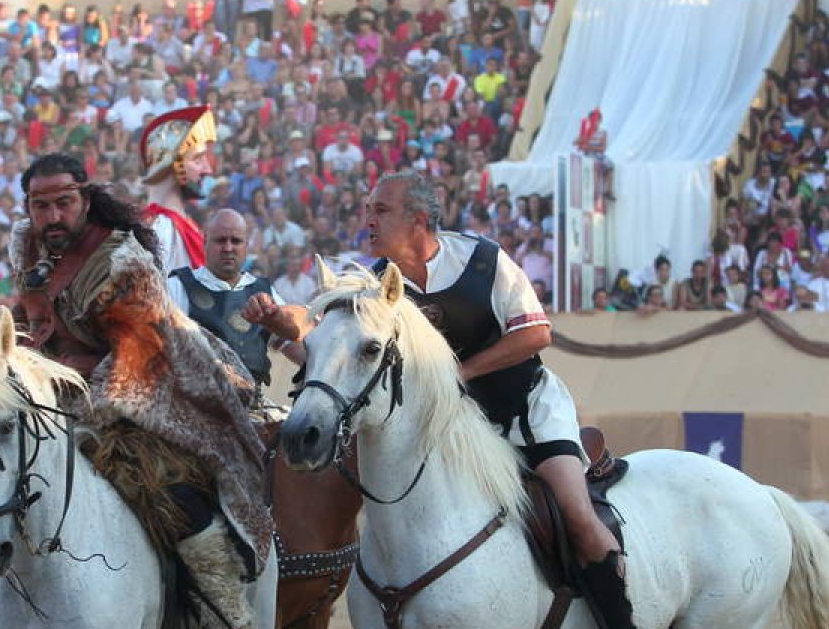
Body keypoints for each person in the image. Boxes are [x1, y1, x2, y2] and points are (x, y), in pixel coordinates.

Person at [246, 171, 634, 629]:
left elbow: (536, 333)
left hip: (524, 413)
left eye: (380, 210)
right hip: (446, 428)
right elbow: (325, 338)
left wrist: (458, 374)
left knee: (578, 519)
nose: (367, 219)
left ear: (418, 218)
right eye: (368, 209)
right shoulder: (372, 286)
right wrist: (284, 329)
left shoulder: (484, 261)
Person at [7, 154, 269, 627]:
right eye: (39, 206)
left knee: (172, 492)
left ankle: (224, 608)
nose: (51, 217)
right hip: (64, 393)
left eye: (63, 203)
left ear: (85, 200)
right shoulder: (27, 245)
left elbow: (137, 361)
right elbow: (30, 320)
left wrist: (68, 383)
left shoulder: (124, 262)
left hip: (159, 394)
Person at [166, 208, 289, 390]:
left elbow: (293, 343)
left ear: (246, 245)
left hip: (252, 408)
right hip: (195, 407)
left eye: (236, 241)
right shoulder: (176, 288)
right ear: (205, 242)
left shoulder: (265, 291)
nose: (228, 248)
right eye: (220, 240)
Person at [139, 105, 216, 273]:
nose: (207, 169)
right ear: (172, 163)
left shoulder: (180, 224)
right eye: (197, 160)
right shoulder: (160, 230)